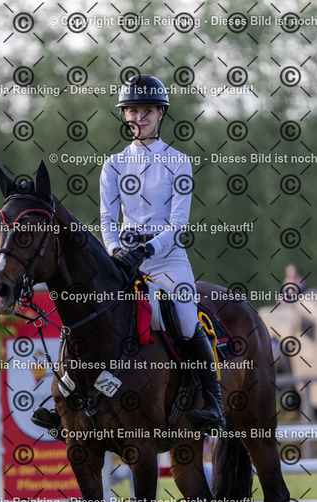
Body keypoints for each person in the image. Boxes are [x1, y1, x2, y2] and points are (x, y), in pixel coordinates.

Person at [33, 74, 225, 432]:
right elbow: (107, 219)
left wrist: (148, 249)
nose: (140, 118)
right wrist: (115, 251)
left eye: (147, 111)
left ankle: (213, 401)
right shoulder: (114, 165)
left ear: (160, 114)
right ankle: (65, 397)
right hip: (122, 258)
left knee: (186, 319)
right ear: (125, 115)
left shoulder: (178, 162)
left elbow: (178, 224)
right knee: (84, 309)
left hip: (167, 258)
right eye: (133, 111)